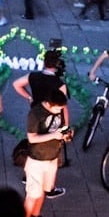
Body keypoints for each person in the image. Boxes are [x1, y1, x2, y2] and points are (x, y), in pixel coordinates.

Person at [12, 49, 69, 198]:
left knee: (33, 144)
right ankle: (49, 187)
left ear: (44, 62)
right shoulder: (59, 83)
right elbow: (64, 106)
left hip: (36, 114)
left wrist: (29, 97)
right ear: (57, 65)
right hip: (52, 118)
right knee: (51, 146)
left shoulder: (33, 76)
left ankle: (29, 175)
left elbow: (16, 84)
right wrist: (65, 127)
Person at [22, 89, 70, 217]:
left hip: (52, 158)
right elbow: (32, 138)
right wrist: (54, 136)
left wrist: (66, 134)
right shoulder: (35, 114)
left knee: (44, 189)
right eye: (57, 108)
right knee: (32, 194)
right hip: (37, 159)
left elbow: (60, 128)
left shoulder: (58, 109)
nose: (60, 111)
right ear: (49, 104)